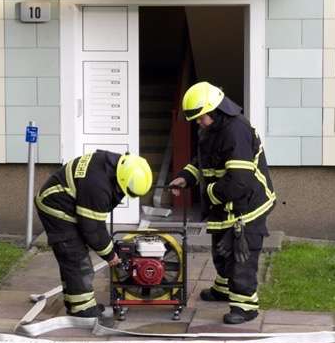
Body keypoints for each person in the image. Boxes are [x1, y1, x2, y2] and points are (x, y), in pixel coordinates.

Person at [168, 81, 276, 325]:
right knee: (221, 249)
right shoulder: (211, 129)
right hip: (226, 202)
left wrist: (208, 194)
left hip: (247, 206)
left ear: (214, 110)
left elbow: (239, 183)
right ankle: (224, 288)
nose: (198, 122)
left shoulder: (236, 131)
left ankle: (245, 306)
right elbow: (204, 161)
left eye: (200, 117)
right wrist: (186, 177)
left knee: (240, 255)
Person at [34, 150, 153, 318]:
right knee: (75, 255)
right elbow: (93, 229)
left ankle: (73, 301)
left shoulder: (114, 164)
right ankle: (83, 310)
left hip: (63, 201)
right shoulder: (97, 186)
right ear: (123, 178)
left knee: (71, 257)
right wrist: (110, 255)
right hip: (55, 207)